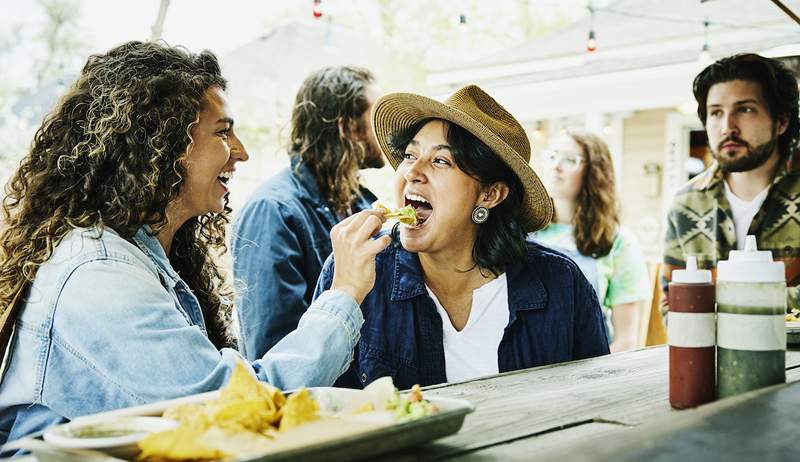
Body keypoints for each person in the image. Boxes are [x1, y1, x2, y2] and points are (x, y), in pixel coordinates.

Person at [0, 41, 390, 444]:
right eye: (223, 132)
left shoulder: (149, 251)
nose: (242, 152)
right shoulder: (99, 274)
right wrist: (344, 292)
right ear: (161, 143)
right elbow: (231, 410)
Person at [314, 85, 610, 390]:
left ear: (490, 194)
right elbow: (317, 410)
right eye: (409, 154)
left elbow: (596, 403)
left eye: (441, 161)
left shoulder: (561, 284)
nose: (412, 172)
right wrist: (344, 294)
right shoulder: (353, 271)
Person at [233, 66, 384, 360]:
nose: (388, 129)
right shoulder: (272, 211)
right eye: (376, 116)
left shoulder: (363, 205)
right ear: (347, 127)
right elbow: (273, 350)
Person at [662, 53, 799, 311]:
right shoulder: (686, 202)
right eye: (716, 113)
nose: (727, 127)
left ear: (780, 121)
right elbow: (673, 301)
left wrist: (717, 303)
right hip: (710, 352)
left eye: (745, 109)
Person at [532, 131, 651, 352]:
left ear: (595, 172)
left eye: (569, 159)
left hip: (591, 370)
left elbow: (626, 341)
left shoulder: (619, 243)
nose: (556, 165)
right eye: (553, 156)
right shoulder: (525, 233)